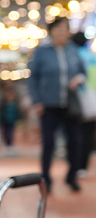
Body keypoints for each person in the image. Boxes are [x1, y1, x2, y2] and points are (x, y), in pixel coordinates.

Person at [27, 17, 87, 192]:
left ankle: (72, 176)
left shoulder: (74, 51)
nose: (62, 33)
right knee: (48, 143)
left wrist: (79, 79)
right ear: (51, 31)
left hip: (70, 104)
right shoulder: (42, 52)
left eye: (65, 29)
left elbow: (83, 73)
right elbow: (33, 79)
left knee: (75, 141)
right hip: (49, 104)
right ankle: (46, 179)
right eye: (58, 29)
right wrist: (37, 100)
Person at [71, 31, 96, 178]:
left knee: (74, 134)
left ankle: (74, 165)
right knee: (88, 135)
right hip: (93, 100)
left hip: (75, 101)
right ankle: (83, 166)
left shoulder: (71, 55)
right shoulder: (94, 58)